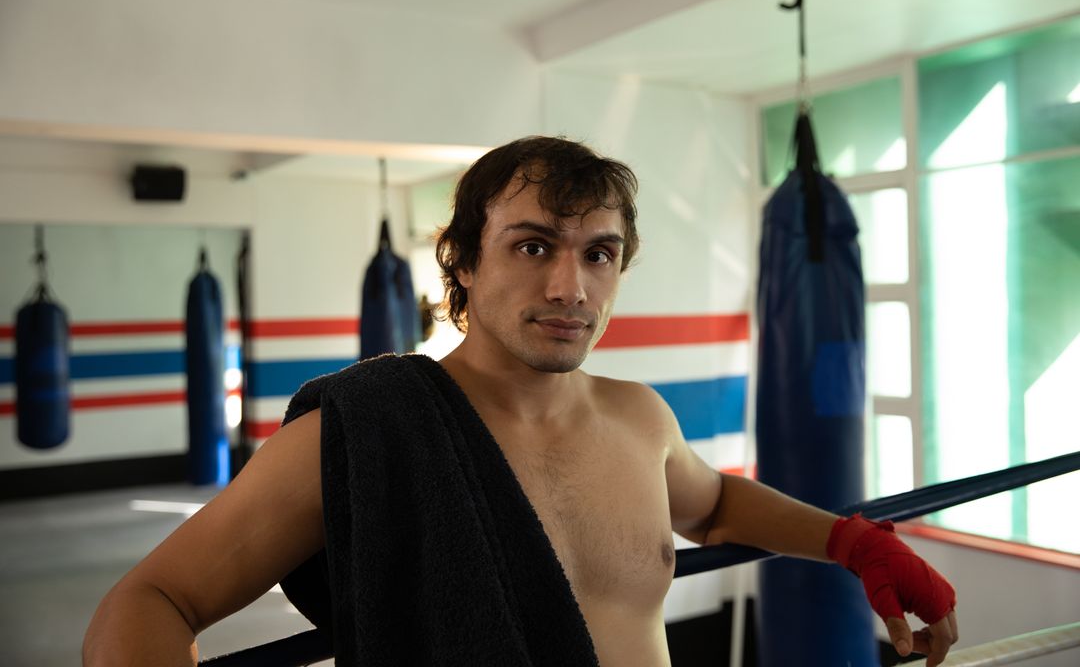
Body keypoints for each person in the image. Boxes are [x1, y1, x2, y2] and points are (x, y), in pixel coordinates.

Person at [83, 136, 958, 666]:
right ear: (463, 261)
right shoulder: (372, 429)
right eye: (534, 246)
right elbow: (150, 601)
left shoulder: (639, 417)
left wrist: (852, 542)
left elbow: (718, 505)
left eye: (600, 253)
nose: (571, 285)